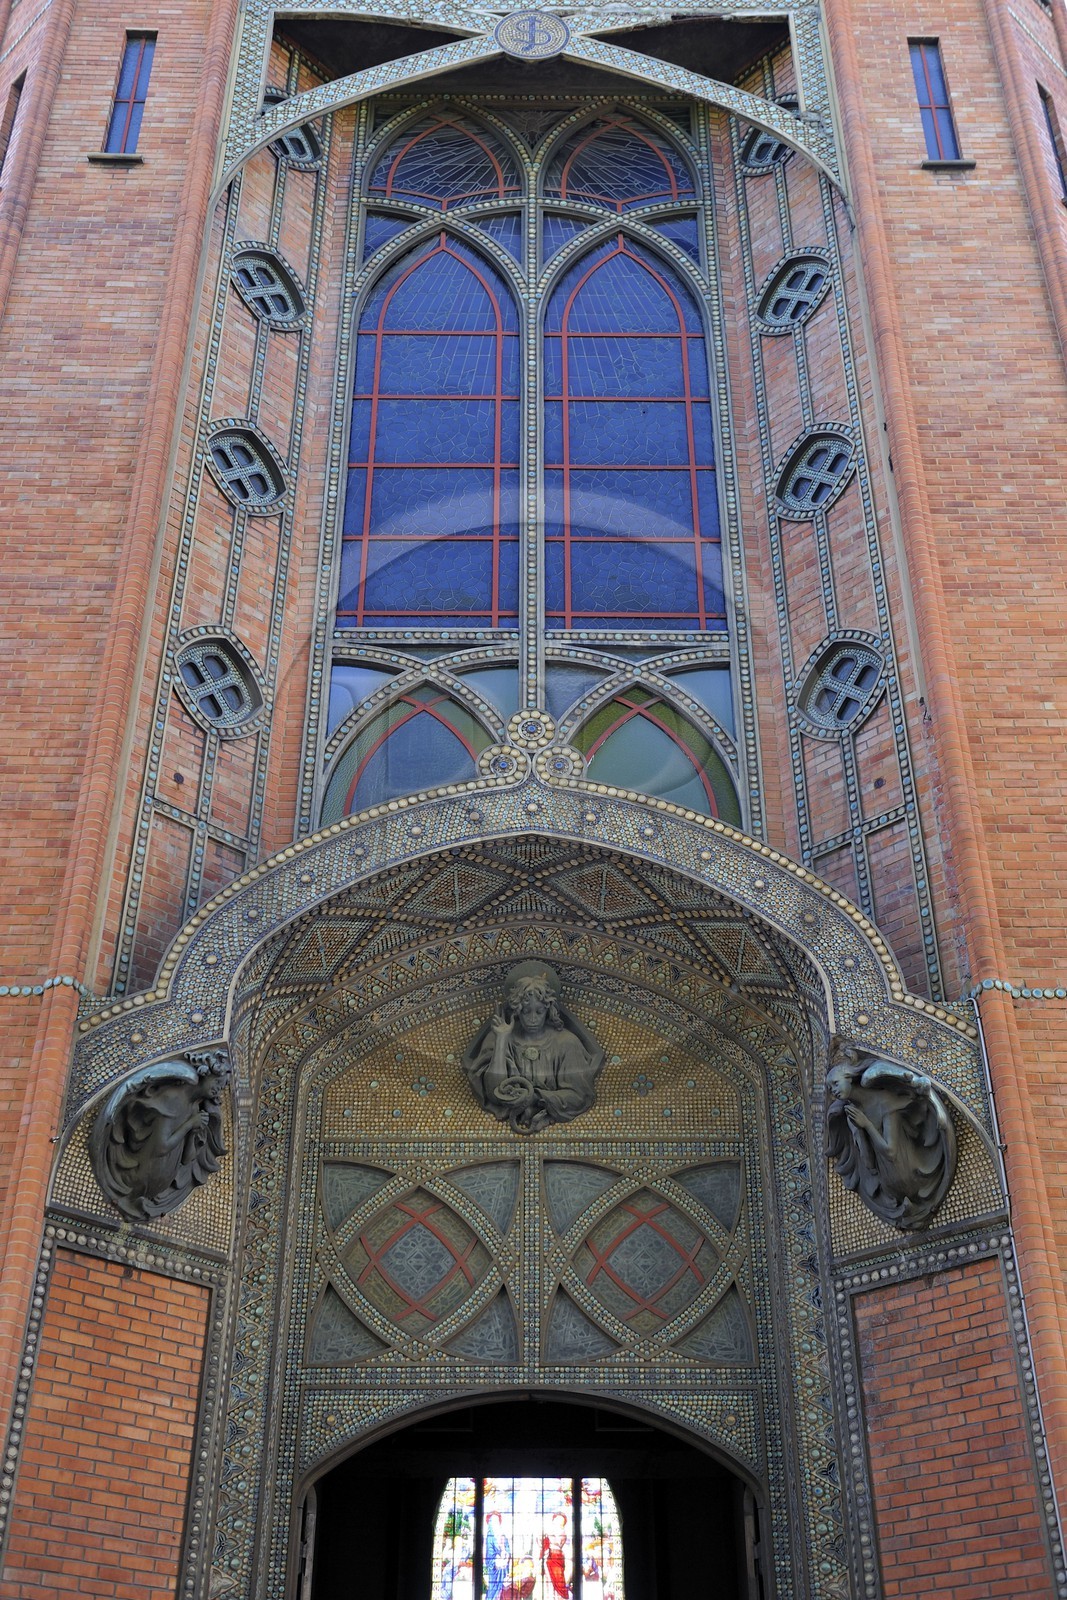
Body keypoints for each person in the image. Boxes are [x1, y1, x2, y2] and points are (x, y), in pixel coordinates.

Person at [464, 963, 604, 1134]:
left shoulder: (567, 1042)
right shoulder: (499, 1038)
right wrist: (501, 1039)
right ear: (516, 1010)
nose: (532, 1019)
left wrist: (535, 1097)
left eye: (539, 1012)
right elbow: (494, 1092)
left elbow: (579, 1096)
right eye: (526, 1011)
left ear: (548, 1009)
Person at [826, 1050, 956, 1229]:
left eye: (835, 1083)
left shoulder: (884, 1101)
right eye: (830, 1088)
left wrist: (866, 1125)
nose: (833, 1091)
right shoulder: (852, 1116)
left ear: (849, 1078)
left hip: (911, 1175)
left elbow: (890, 1151)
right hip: (890, 1187)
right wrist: (858, 1130)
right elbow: (869, 1164)